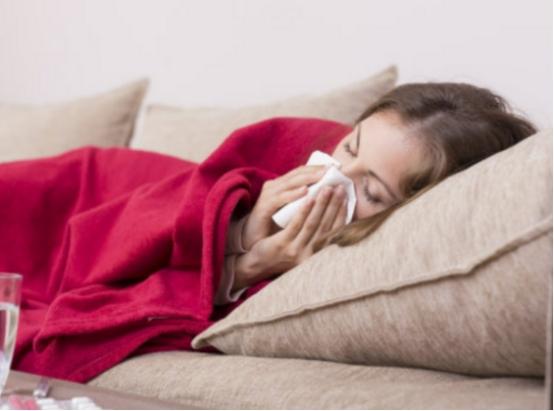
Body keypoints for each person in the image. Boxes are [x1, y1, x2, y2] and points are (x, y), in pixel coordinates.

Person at [215, 82, 538, 305]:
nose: (337, 175)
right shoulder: (307, 140)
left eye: (371, 192)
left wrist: (250, 268)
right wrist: (239, 231)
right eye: (350, 148)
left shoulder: (372, 263)